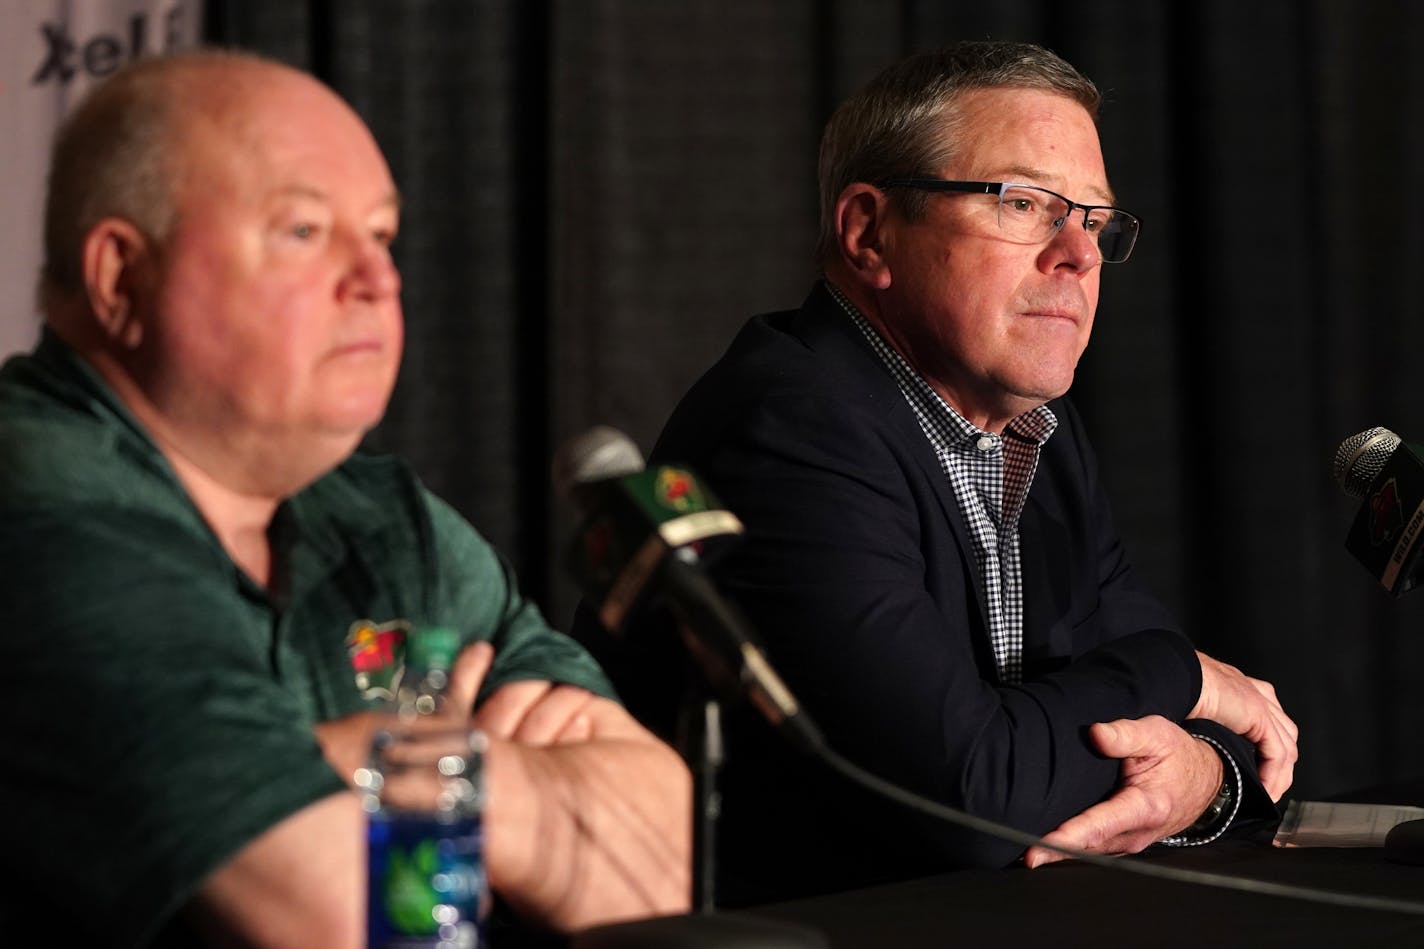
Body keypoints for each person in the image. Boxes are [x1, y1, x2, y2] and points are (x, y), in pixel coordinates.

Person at [0, 50, 689, 947]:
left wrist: (426, 777)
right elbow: (328, 912)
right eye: (302, 231)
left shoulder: (381, 517)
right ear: (121, 277)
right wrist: (520, 794)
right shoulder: (39, 503)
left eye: (382, 235)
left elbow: (664, 855)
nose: (377, 279)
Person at [584, 41, 1299, 906]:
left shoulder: (1041, 431)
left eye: (1096, 220)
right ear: (869, 233)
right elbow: (971, 797)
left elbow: (1249, 755)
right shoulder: (788, 431)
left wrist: (1195, 775)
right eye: (1025, 203)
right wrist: (1184, 672)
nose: (1079, 254)